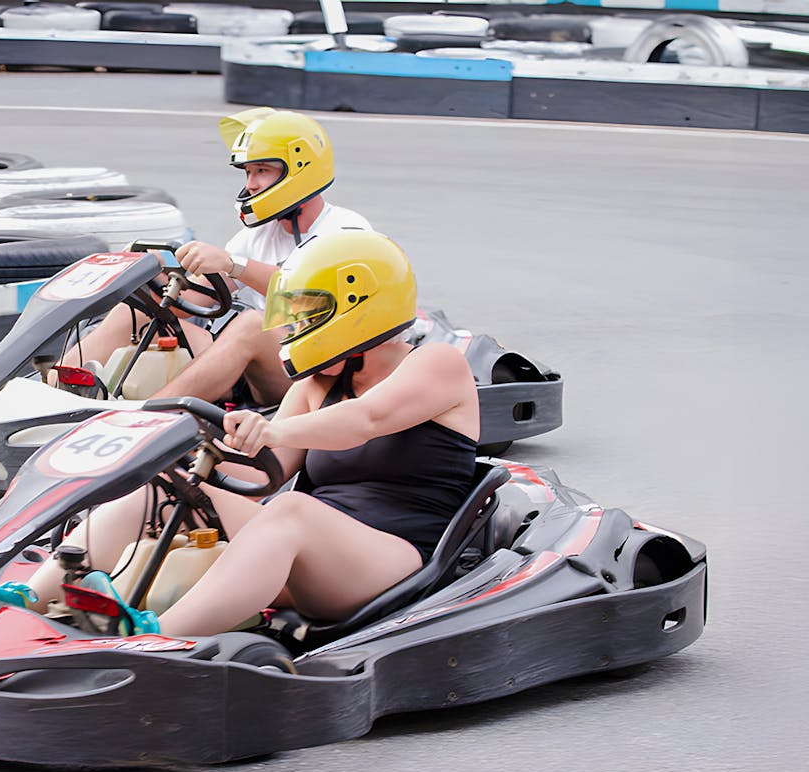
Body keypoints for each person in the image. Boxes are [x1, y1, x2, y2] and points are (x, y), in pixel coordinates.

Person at [28, 230, 480, 637]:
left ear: (358, 306)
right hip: (303, 549)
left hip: (391, 557)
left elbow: (364, 422)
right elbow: (258, 475)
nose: (296, 327)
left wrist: (273, 429)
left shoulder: (438, 363)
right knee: (160, 490)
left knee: (291, 511)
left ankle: (158, 639)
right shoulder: (315, 384)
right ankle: (27, 600)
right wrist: (194, 455)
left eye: (309, 313)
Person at [59, 107, 372, 407]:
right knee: (138, 312)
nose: (250, 185)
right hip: (257, 369)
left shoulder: (345, 231)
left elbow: (323, 298)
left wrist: (233, 265)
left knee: (250, 326)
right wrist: (155, 275)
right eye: (248, 172)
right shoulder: (257, 236)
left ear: (301, 168)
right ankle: (58, 391)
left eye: (262, 171)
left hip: (322, 372)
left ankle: (151, 415)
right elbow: (193, 298)